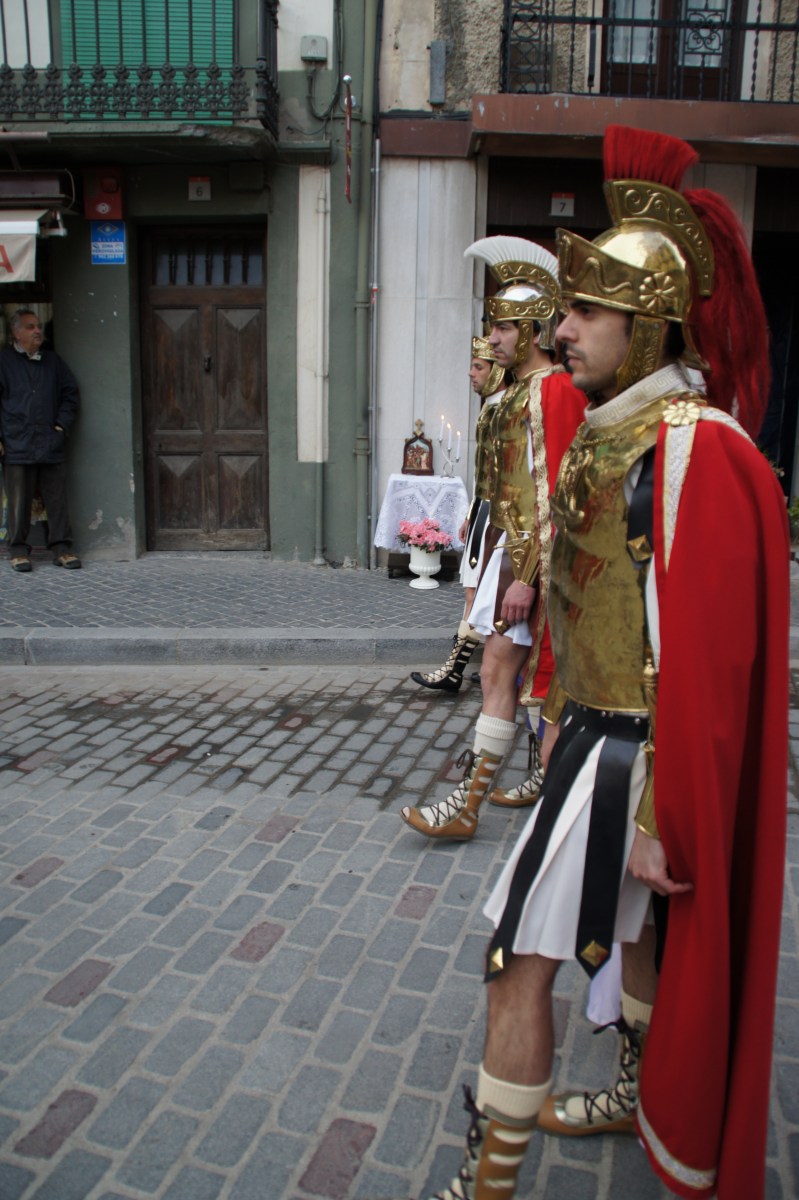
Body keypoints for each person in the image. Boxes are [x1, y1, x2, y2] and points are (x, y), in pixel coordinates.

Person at [419, 126, 788, 1200]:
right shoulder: (611, 430)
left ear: (649, 322)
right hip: (589, 736)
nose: (560, 329)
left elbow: (699, 659)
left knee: (515, 962)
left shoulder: (695, 450)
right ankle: (635, 1087)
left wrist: (663, 810)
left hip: (631, 765)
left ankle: (490, 1183)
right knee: (636, 943)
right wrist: (553, 710)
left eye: (584, 311)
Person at [402, 238, 585, 840]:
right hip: (512, 552)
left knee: (527, 682)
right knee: (498, 674)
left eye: (504, 327)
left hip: (538, 563)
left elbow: (558, 495)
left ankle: (507, 803)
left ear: (532, 330)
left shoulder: (555, 390)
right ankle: (482, 799)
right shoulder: (518, 394)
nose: (494, 338)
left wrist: (528, 578)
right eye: (494, 326)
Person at [410, 337, 506, 694]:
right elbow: (486, 474)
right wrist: (470, 511)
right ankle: (484, 666)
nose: (470, 373)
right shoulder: (490, 409)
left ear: (497, 371)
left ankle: (457, 670)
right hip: (484, 509)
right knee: (476, 592)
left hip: (501, 515)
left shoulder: (507, 409)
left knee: (478, 593)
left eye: (478, 366)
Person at [0, 308, 81, 571]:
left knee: (56, 499)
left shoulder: (53, 361)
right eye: (30, 327)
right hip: (16, 442)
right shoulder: (3, 361)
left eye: (38, 326)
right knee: (19, 501)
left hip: (49, 441)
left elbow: (70, 393)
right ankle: (18, 550)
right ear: (16, 333)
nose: (37, 331)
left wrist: (61, 425)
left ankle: (62, 549)